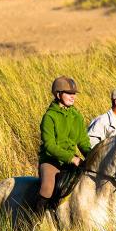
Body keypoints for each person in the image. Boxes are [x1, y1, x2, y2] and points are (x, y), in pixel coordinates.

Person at [36, 76, 90, 217]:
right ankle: (33, 221)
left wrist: (91, 156)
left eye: (74, 94)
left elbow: (83, 141)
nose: (73, 97)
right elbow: (49, 145)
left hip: (72, 160)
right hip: (51, 161)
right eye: (68, 93)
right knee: (47, 187)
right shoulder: (49, 116)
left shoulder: (77, 116)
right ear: (58, 94)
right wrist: (71, 158)